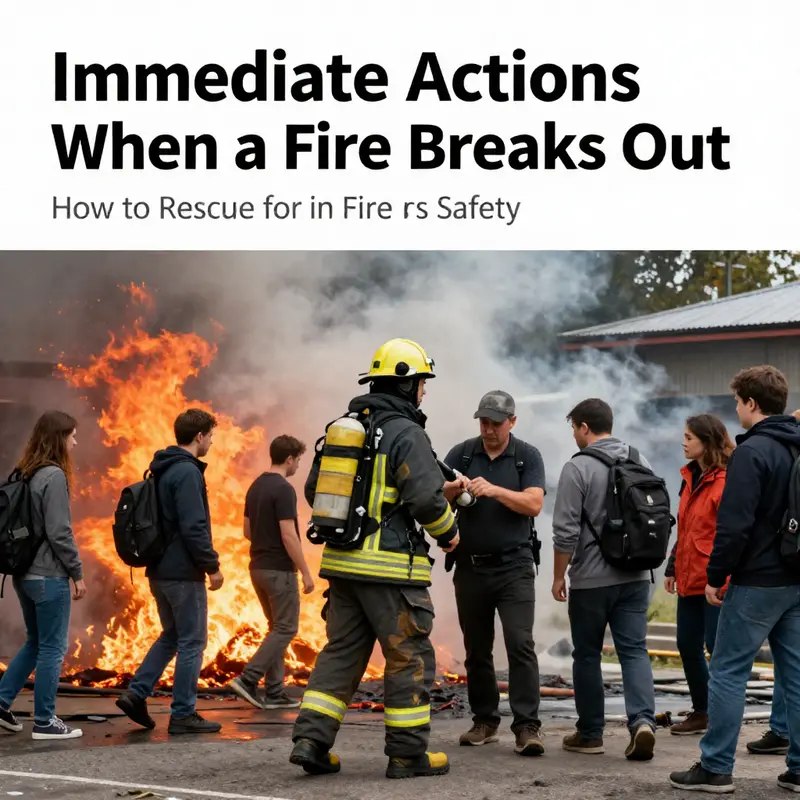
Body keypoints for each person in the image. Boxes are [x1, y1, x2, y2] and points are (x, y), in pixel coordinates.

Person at [290, 338, 461, 780]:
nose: (423, 392)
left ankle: (311, 742)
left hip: (343, 566)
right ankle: (407, 755)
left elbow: (315, 492)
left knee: (341, 653)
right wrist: (450, 533)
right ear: (405, 385)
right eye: (421, 383)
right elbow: (425, 499)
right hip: (389, 571)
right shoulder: (407, 433)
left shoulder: (344, 427)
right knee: (409, 658)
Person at [670, 366, 800, 794]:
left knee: (726, 671)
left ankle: (716, 767)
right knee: (795, 673)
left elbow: (735, 523)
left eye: (737, 402)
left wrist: (714, 575)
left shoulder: (752, 451)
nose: (736, 410)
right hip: (796, 579)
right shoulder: (797, 448)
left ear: (751, 404)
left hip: (756, 581)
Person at [552, 398, 657, 762]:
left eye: (574, 428)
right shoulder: (639, 459)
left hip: (592, 580)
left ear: (584, 427)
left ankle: (591, 733)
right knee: (634, 651)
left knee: (587, 655)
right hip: (637, 575)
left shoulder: (577, 467)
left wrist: (557, 576)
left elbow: (564, 532)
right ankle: (642, 721)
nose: (574, 435)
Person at [441, 390, 546, 756]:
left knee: (520, 644)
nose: (488, 429)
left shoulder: (526, 456)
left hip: (515, 566)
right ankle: (484, 720)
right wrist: (451, 491)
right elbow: (433, 496)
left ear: (512, 422)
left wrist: (496, 491)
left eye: (495, 423)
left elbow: (534, 503)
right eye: (483, 422)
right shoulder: (462, 454)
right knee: (476, 650)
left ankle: (527, 726)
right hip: (470, 567)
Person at [115, 409, 225, 735]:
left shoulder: (161, 469)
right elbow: (194, 526)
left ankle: (136, 693)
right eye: (211, 436)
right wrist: (212, 566)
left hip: (159, 570)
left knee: (172, 636)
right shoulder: (187, 472)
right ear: (200, 436)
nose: (213, 441)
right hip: (182, 572)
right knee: (193, 641)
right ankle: (183, 713)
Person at [0, 411, 87, 740]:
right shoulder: (53, 476)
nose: (76, 442)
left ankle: (1, 700)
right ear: (59, 439)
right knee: (53, 647)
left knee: (36, 642)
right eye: (72, 435)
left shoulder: (26, 472)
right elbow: (60, 532)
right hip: (49, 576)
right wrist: (77, 573)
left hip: (23, 575)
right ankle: (45, 721)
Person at [229, 434, 313, 710]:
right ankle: (248, 679)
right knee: (287, 628)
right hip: (279, 570)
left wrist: (265, 545)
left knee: (275, 628)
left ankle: (275, 692)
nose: (299, 465)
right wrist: (306, 572)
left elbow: (247, 531)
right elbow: (289, 535)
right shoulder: (284, 489)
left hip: (257, 568)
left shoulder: (255, 486)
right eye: (298, 459)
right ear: (289, 459)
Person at [663, 414, 734, 736]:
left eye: (689, 437)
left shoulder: (725, 481)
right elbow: (686, 527)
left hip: (715, 581)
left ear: (707, 441)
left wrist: (722, 578)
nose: (684, 442)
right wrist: (671, 565)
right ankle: (702, 712)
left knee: (715, 646)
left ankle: (721, 716)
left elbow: (730, 534)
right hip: (689, 578)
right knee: (686, 644)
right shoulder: (689, 477)